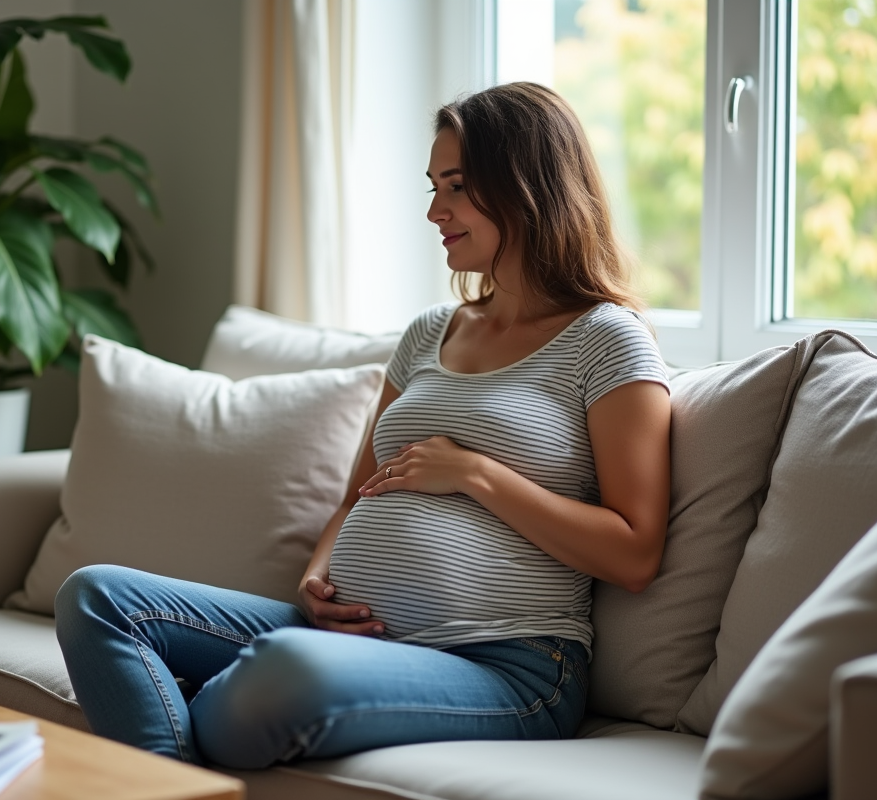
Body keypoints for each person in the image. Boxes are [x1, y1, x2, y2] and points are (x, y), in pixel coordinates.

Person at [54, 81, 671, 769]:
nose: (435, 211)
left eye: (457, 187)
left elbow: (635, 553)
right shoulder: (430, 332)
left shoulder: (607, 339)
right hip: (346, 637)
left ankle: (169, 744)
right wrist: (314, 580)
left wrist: (475, 473)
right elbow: (357, 498)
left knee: (285, 668)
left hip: (508, 665)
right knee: (96, 596)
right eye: (433, 187)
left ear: (528, 187)